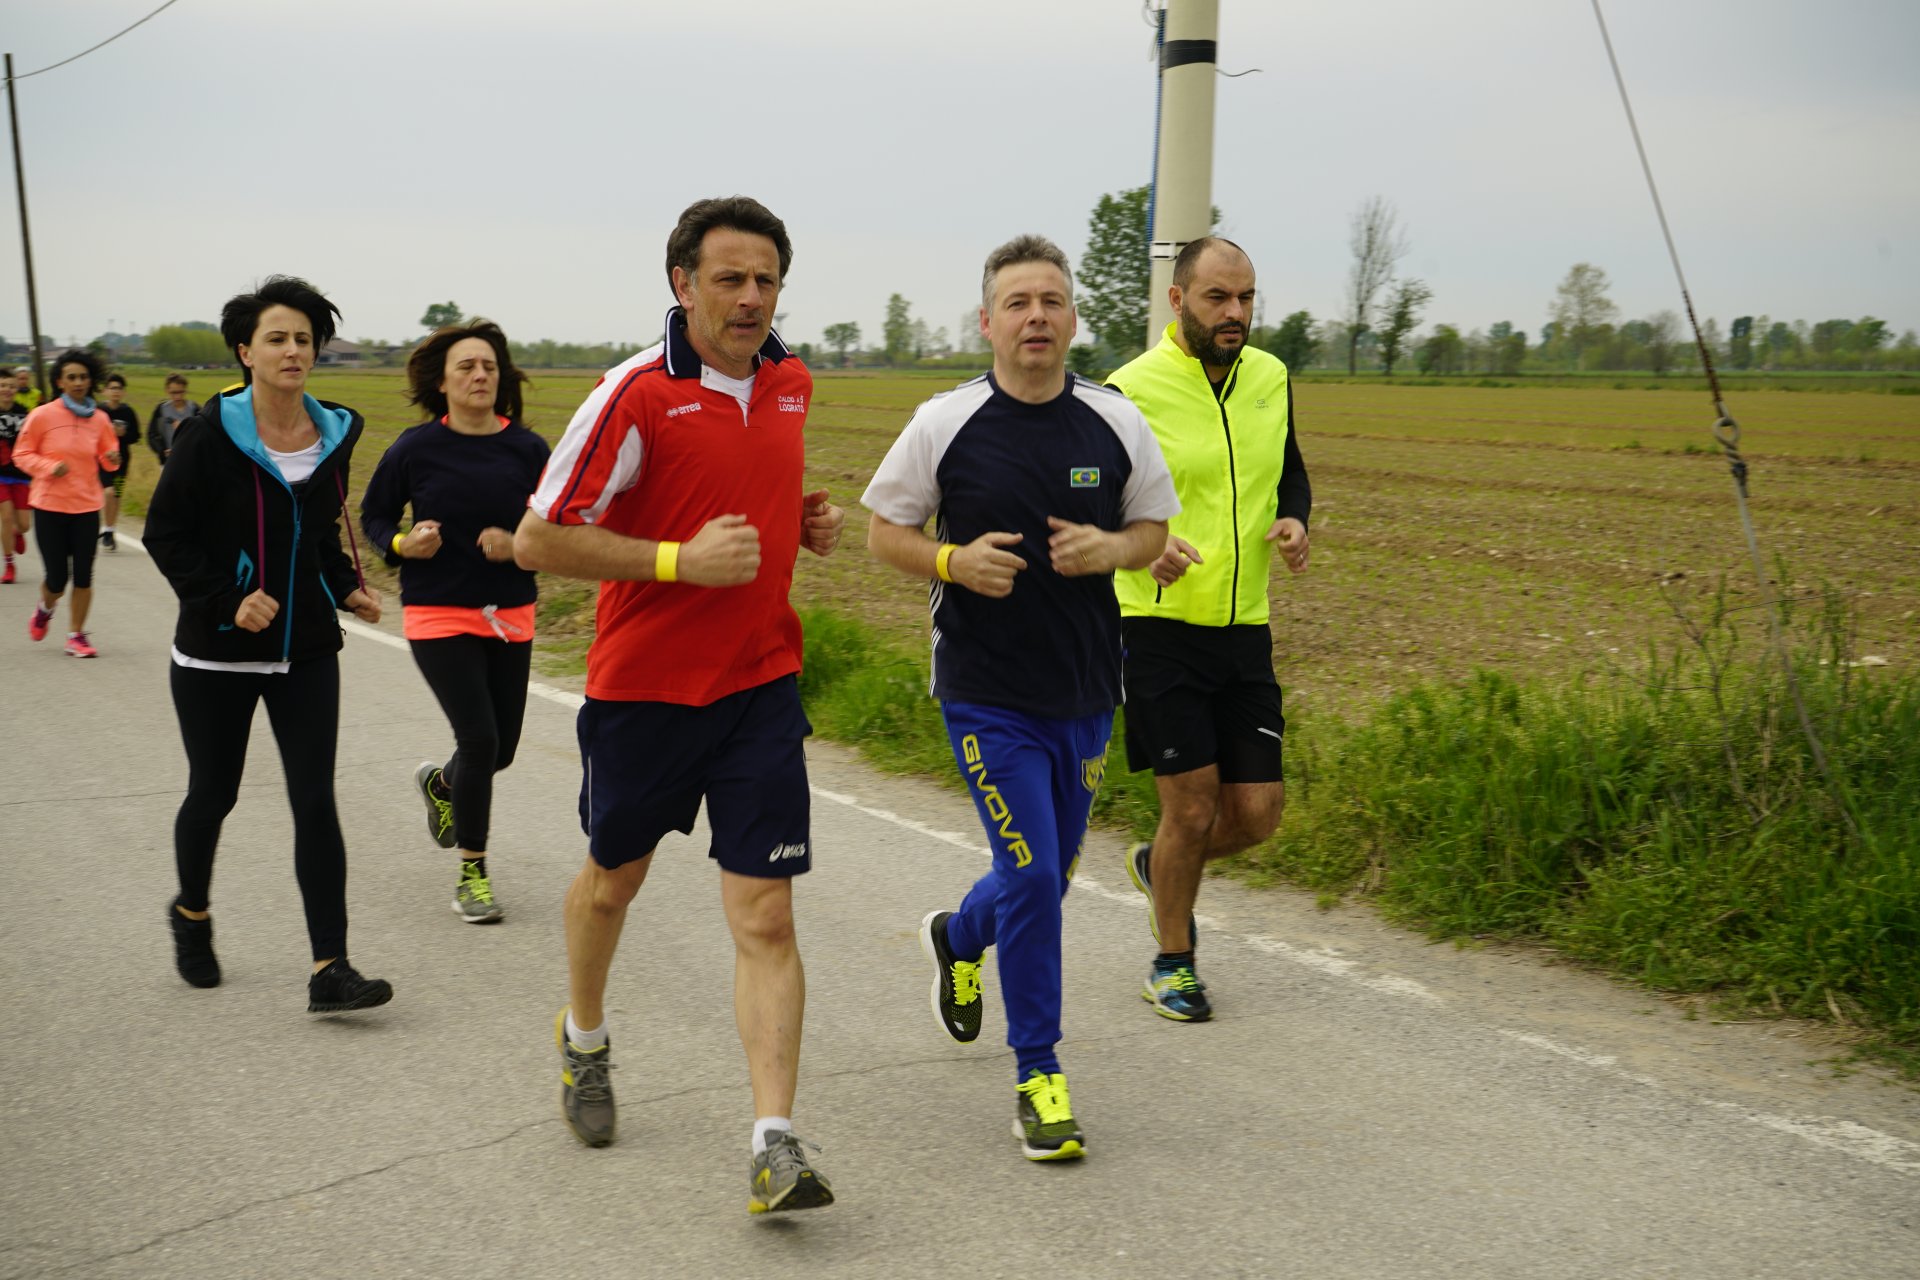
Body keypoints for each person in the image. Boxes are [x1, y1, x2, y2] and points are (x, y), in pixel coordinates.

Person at [514, 196, 845, 1214]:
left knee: (767, 913)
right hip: (645, 693)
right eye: (730, 278)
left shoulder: (791, 383)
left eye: (767, 280)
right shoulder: (635, 394)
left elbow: (743, 496)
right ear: (682, 283)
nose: (751, 298)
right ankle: (584, 1037)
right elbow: (537, 538)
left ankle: (774, 1142)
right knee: (612, 884)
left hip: (760, 684)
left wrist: (800, 521)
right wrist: (676, 561)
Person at [863, 234, 1178, 1161]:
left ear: (1073, 318)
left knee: (1044, 875)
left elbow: (1151, 527)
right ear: (988, 322)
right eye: (1017, 303)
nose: (1035, 316)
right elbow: (884, 533)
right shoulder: (944, 421)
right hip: (985, 691)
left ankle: (961, 937)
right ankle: (1039, 1075)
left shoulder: (1114, 420)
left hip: (1086, 689)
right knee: (1036, 876)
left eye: (1051, 301)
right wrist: (951, 562)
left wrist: (1111, 549)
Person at [143, 275, 394, 1015]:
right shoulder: (208, 436)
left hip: (305, 649)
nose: (292, 351)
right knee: (213, 793)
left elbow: (316, 533)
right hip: (217, 652)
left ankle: (330, 967)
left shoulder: (333, 433)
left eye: (304, 339)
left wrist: (345, 586)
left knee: (314, 799)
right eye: (276, 338)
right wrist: (227, 600)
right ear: (245, 352)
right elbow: (166, 534)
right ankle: (191, 913)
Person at [1105, 237, 1312, 1023]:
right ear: (1178, 299)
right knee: (1191, 809)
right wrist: (1141, 542)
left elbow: (1288, 469)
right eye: (1218, 298)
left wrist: (1294, 519)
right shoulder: (1130, 389)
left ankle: (1161, 865)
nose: (1236, 313)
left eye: (1246, 298)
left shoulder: (1271, 377)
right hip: (1157, 628)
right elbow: (1092, 497)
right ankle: (1173, 963)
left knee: (1257, 813)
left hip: (1244, 626)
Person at [360, 321, 550, 924]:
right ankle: (473, 876)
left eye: (489, 366)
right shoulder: (416, 448)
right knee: (480, 739)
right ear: (442, 382)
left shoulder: (529, 450)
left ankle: (443, 785)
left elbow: (559, 527)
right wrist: (402, 544)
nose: (479, 375)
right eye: (466, 366)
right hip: (437, 610)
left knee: (501, 750)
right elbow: (374, 516)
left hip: (510, 611)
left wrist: (520, 546)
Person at [13, 349, 120, 656]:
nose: (78, 382)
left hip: (86, 506)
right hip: (50, 506)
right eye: (71, 377)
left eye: (83, 377)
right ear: (59, 381)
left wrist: (112, 459)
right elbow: (22, 454)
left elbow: (108, 458)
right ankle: (45, 608)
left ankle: (76, 635)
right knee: (57, 579)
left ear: (91, 380)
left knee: (84, 575)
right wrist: (48, 467)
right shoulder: (42, 415)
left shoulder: (100, 419)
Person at [97, 373, 141, 551]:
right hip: (102, 459)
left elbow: (136, 436)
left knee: (116, 495)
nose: (116, 391)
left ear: (123, 392)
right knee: (108, 492)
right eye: (112, 388)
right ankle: (107, 528)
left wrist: (123, 435)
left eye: (119, 388)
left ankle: (109, 531)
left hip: (122, 460)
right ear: (105, 391)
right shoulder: (99, 411)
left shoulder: (128, 412)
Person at [0, 369, 32, 584]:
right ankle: (9, 565)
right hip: (0, 475)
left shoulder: (25, 414)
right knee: (6, 517)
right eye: (3, 385)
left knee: (24, 524)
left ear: (16, 388)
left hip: (21, 474)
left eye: (11, 386)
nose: (7, 389)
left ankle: (16, 533)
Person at [147, 373, 200, 465]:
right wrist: (162, 451)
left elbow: (202, 434)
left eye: (181, 392)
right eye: (173, 392)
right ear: (167, 390)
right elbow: (152, 434)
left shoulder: (194, 409)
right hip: (168, 462)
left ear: (185, 390)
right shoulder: (161, 410)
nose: (177, 396)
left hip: (191, 461)